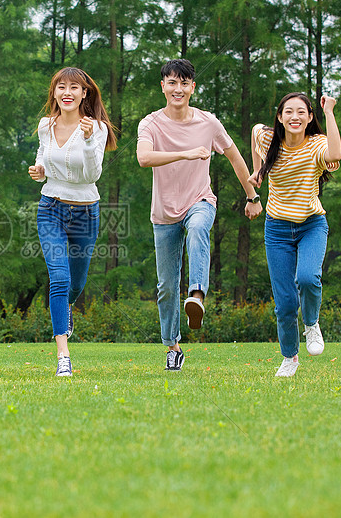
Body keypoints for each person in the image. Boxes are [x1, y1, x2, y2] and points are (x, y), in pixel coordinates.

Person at [137, 59, 262, 372]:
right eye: (171, 83)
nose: (178, 89)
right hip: (164, 212)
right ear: (162, 87)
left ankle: (196, 295)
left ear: (193, 87)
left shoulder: (208, 123)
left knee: (198, 229)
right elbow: (143, 158)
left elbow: (235, 157)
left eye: (184, 83)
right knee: (166, 286)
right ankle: (172, 346)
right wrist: (186, 153)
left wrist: (252, 195)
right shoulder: (150, 123)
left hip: (200, 200)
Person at [29, 67, 116, 377]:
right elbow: (44, 154)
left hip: (85, 212)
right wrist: (40, 169)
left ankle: (64, 313)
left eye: (74, 87)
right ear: (54, 93)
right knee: (60, 279)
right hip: (50, 207)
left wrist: (91, 140)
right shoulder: (45, 126)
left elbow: (93, 174)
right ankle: (63, 354)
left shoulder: (97, 128)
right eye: (61, 87)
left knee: (76, 284)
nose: (67, 92)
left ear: (84, 94)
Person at [249, 93, 341, 377]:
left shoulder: (317, 145)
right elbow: (254, 132)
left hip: (311, 225)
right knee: (286, 303)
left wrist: (330, 112)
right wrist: (257, 171)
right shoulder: (267, 140)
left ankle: (311, 324)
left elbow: (335, 155)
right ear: (280, 117)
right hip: (277, 230)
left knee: (308, 278)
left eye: (301, 112)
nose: (295, 117)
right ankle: (290, 357)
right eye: (288, 112)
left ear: (310, 118)